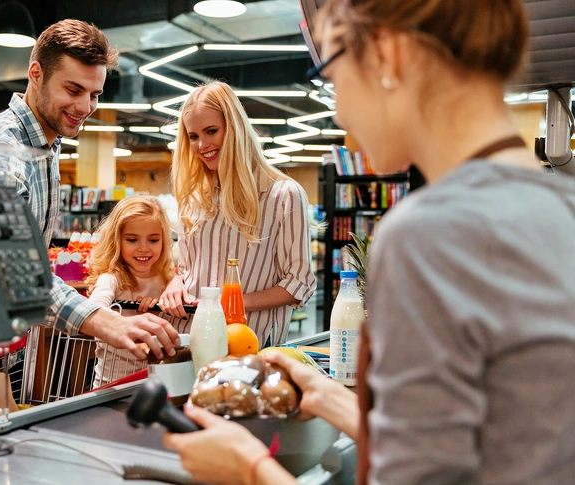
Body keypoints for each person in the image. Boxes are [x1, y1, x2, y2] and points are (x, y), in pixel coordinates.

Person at [165, 0, 575, 484]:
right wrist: (335, 400)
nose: (338, 109)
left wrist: (248, 468)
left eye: (334, 75)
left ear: (387, 56)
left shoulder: (428, 234)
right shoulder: (560, 206)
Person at [0, 19, 179, 361]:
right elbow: (9, 268)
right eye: (73, 90)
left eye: (94, 95)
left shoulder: (46, 146)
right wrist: (103, 321)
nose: (85, 108)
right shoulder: (1, 151)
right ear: (36, 74)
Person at [159, 81, 317, 346]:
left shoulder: (282, 195)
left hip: (248, 341)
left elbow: (300, 282)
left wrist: (234, 302)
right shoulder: (196, 197)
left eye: (211, 131)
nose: (202, 145)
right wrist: (175, 282)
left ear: (235, 128)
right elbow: (186, 268)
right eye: (193, 136)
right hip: (191, 335)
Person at [86, 195, 179, 387]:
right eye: (132, 240)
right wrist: (134, 321)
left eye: (153, 240)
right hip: (111, 385)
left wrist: (156, 313)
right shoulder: (112, 279)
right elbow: (93, 309)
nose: (143, 248)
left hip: (159, 383)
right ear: (116, 240)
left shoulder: (168, 281)